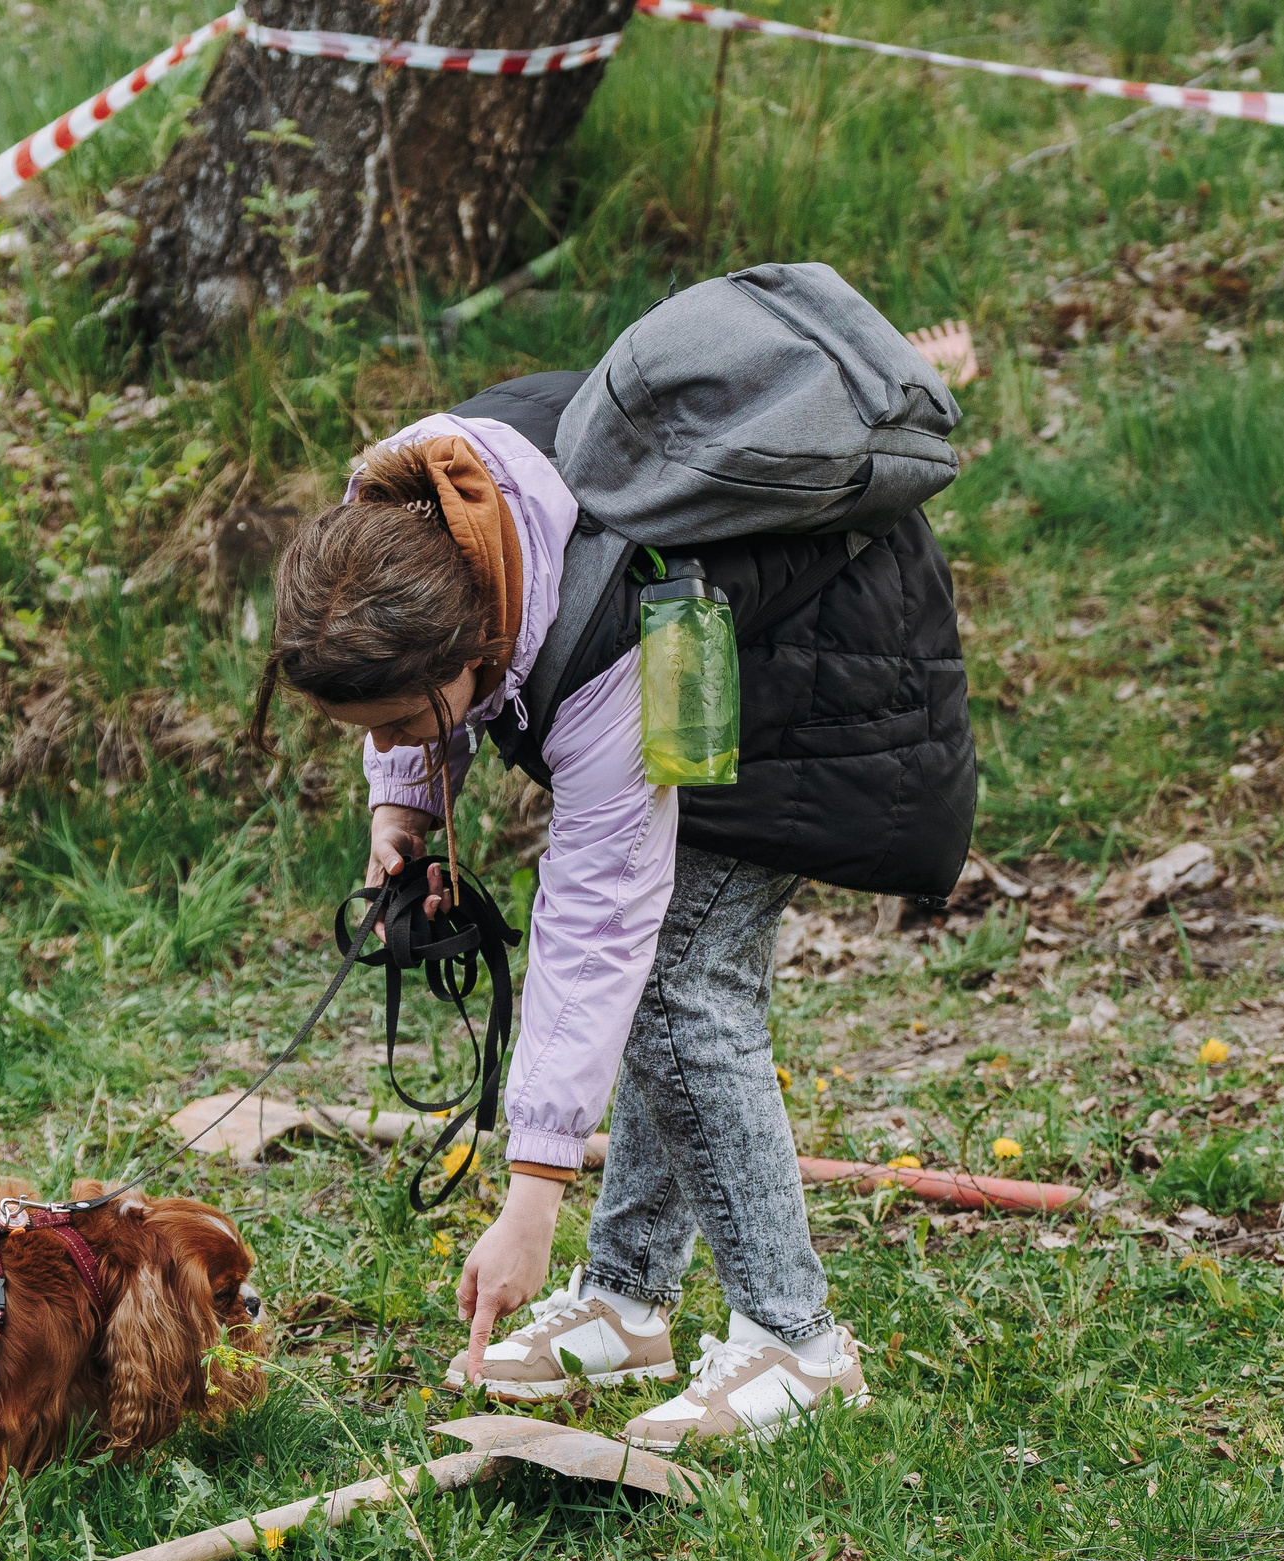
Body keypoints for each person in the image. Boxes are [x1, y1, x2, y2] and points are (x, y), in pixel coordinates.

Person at [246, 266, 973, 1450]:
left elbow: (594, 930)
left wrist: (529, 1199)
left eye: (396, 727)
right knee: (659, 991)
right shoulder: (403, 507)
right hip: (711, 647)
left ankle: (796, 1338)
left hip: (819, 685)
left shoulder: (602, 654)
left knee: (680, 987)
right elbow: (424, 705)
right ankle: (629, 1298)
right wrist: (406, 802)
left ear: (473, 647)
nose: (381, 747)